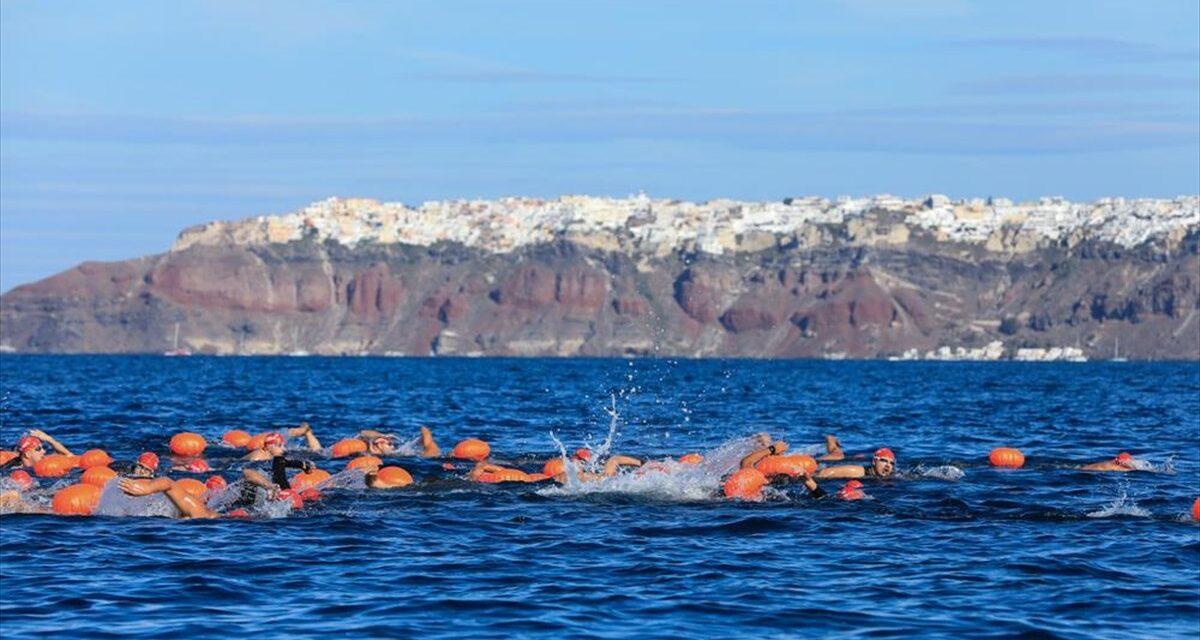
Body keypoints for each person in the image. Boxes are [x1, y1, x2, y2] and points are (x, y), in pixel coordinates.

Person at [118, 477, 219, 519]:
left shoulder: (199, 513)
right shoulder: (193, 509)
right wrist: (147, 488)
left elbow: (169, 484)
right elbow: (168, 483)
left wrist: (147, 488)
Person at [0, 430, 74, 469]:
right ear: (27, 454)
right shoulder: (14, 469)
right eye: (38, 449)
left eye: (43, 448)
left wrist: (49, 439)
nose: (44, 451)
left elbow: (70, 456)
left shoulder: (45, 460)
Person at [815, 447, 896, 479]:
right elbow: (824, 473)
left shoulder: (893, 476)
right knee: (837, 455)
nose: (888, 465)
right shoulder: (857, 471)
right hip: (824, 465)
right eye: (884, 461)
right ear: (874, 461)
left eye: (891, 463)